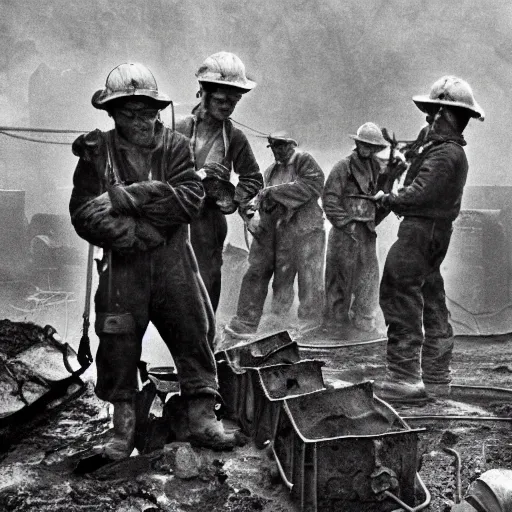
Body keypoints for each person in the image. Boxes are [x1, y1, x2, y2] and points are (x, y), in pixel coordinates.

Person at [69, 63, 239, 459]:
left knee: (193, 331)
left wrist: (131, 208)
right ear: (113, 114)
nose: (142, 121)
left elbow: (187, 199)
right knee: (117, 340)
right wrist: (128, 235)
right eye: (130, 113)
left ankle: (201, 417)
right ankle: (123, 429)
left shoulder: (176, 147)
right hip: (122, 269)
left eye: (148, 112)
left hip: (174, 262)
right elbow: (83, 213)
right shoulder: (98, 154)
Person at [373, 76, 485, 403]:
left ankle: (404, 378)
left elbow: (420, 193)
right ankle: (437, 378)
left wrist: (390, 199)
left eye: (433, 114)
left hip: (421, 232)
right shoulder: (445, 151)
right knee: (430, 295)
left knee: (399, 289)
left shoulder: (445, 154)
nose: (428, 120)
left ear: (444, 115)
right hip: (433, 233)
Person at [175, 52, 263, 313]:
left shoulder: (235, 138)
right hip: (174, 217)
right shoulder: (176, 128)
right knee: (170, 282)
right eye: (222, 100)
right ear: (204, 91)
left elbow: (252, 178)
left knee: (206, 282)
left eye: (233, 102)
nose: (228, 107)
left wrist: (235, 200)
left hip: (208, 222)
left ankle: (204, 344)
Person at [226, 132, 325, 336]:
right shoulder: (270, 171)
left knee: (309, 276)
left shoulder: (303, 161)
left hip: (308, 229)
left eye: (282, 146)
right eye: (274, 147)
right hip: (282, 230)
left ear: (292, 145)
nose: (278, 150)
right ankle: (262, 321)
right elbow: (260, 198)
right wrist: (252, 214)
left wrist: (272, 192)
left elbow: (311, 186)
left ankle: (310, 324)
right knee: (280, 276)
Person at [322, 122, 390, 338]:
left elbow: (378, 201)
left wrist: (374, 218)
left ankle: (364, 323)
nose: (367, 149)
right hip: (344, 233)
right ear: (358, 143)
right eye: (364, 145)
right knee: (339, 278)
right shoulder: (343, 167)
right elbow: (329, 199)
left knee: (369, 277)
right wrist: (345, 223)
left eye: (372, 147)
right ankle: (335, 326)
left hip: (366, 233)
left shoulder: (376, 168)